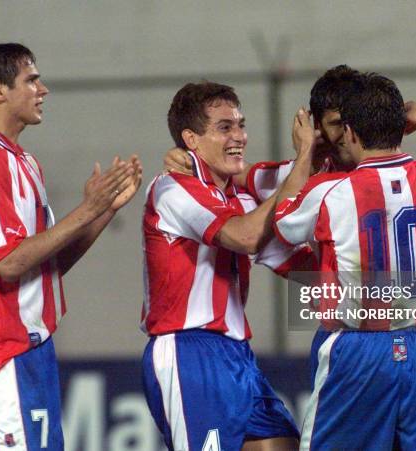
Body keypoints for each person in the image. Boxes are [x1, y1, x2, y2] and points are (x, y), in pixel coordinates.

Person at [274, 70, 416, 449]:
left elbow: (283, 221)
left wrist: (303, 153)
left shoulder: (330, 191)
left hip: (360, 348)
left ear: (350, 132)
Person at [0, 43, 142, 450]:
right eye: (31, 80)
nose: (43, 89)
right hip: (1, 352)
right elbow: (10, 263)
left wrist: (103, 211)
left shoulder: (24, 163)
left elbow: (45, 264)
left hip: (32, 350)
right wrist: (87, 208)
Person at [142, 81, 308, 451]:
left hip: (236, 354)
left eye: (241, 125)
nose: (240, 136)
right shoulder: (172, 189)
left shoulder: (240, 199)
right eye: (224, 127)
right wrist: (303, 157)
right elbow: (246, 237)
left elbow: (301, 268)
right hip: (189, 351)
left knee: (283, 444)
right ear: (191, 139)